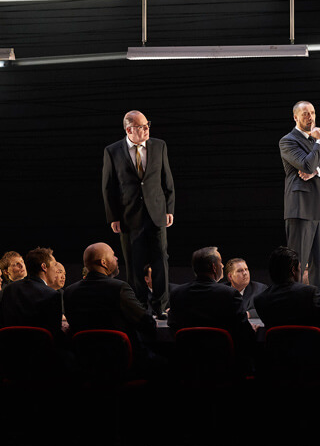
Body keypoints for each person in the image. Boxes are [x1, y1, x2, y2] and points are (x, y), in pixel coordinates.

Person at [101, 110, 175, 317]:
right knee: (134, 262)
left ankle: (161, 306)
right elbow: (108, 186)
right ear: (129, 130)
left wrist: (169, 208)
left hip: (157, 212)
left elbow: (167, 179)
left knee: (161, 260)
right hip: (128, 215)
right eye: (141, 127)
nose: (146, 129)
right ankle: (140, 306)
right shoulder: (112, 151)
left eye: (147, 124)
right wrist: (113, 216)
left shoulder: (159, 146)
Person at [279, 101, 320, 304]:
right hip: (302, 208)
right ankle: (294, 305)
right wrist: (318, 145)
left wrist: (317, 170)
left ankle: (319, 306)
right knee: (296, 263)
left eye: (313, 112)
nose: (310, 117)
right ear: (295, 117)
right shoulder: (288, 141)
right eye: (305, 113)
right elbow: (306, 164)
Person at [63, 242, 157, 356]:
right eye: (113, 255)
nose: (116, 258)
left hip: (84, 360)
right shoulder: (119, 288)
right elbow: (146, 322)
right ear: (104, 263)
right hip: (121, 358)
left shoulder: (69, 292)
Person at [168, 247, 255, 355]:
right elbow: (245, 333)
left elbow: (172, 327)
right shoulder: (230, 295)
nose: (222, 266)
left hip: (188, 359)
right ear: (214, 267)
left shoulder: (177, 293)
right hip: (223, 359)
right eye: (220, 262)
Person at [254, 246, 320, 339]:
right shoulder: (310, 293)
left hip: (277, 348)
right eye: (300, 268)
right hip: (310, 347)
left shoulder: (260, 300)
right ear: (293, 270)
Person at [0, 247, 63, 338]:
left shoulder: (9, 290)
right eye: (55, 264)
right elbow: (55, 334)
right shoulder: (52, 294)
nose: (57, 270)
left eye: (22, 262)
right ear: (44, 267)